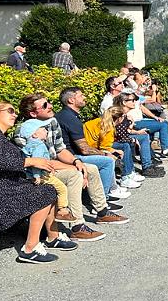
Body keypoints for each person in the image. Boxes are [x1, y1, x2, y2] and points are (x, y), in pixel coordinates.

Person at [0, 102, 77, 263]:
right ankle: (30, 249)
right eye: (10, 111)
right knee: (45, 192)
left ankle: (53, 236)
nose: (14, 114)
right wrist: (32, 161)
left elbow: (7, 164)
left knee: (47, 188)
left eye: (14, 112)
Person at [17, 93, 120, 241]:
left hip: (52, 166)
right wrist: (73, 168)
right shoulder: (25, 131)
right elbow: (40, 162)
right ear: (33, 113)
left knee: (90, 168)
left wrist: (75, 161)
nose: (50, 106)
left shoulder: (52, 122)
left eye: (49, 102)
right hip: (38, 173)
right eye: (45, 105)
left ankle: (102, 212)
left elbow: (60, 150)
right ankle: (77, 226)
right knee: (75, 175)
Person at [54, 87, 129, 200]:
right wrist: (106, 154)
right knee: (108, 161)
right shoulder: (70, 119)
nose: (84, 97)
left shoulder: (65, 115)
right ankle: (102, 199)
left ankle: (112, 188)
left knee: (109, 156)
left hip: (68, 154)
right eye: (81, 95)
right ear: (71, 100)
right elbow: (84, 149)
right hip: (70, 157)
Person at [17, 119, 77, 222]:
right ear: (35, 135)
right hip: (42, 175)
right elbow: (37, 163)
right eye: (43, 129)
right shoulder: (39, 146)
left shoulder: (29, 145)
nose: (46, 131)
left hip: (31, 174)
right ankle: (62, 211)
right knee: (62, 188)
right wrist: (37, 176)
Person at [84, 106, 143, 189]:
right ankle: (125, 177)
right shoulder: (108, 128)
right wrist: (116, 151)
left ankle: (129, 173)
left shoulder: (98, 121)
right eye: (123, 116)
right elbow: (104, 148)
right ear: (119, 118)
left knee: (125, 145)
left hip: (88, 146)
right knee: (123, 147)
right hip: (92, 149)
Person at [113, 93, 165, 177]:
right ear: (124, 102)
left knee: (144, 136)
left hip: (121, 137)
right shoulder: (119, 115)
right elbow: (119, 135)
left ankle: (147, 166)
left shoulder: (125, 114)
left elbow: (125, 131)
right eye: (132, 100)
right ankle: (141, 169)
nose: (135, 102)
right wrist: (133, 139)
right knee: (138, 139)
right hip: (114, 141)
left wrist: (137, 132)